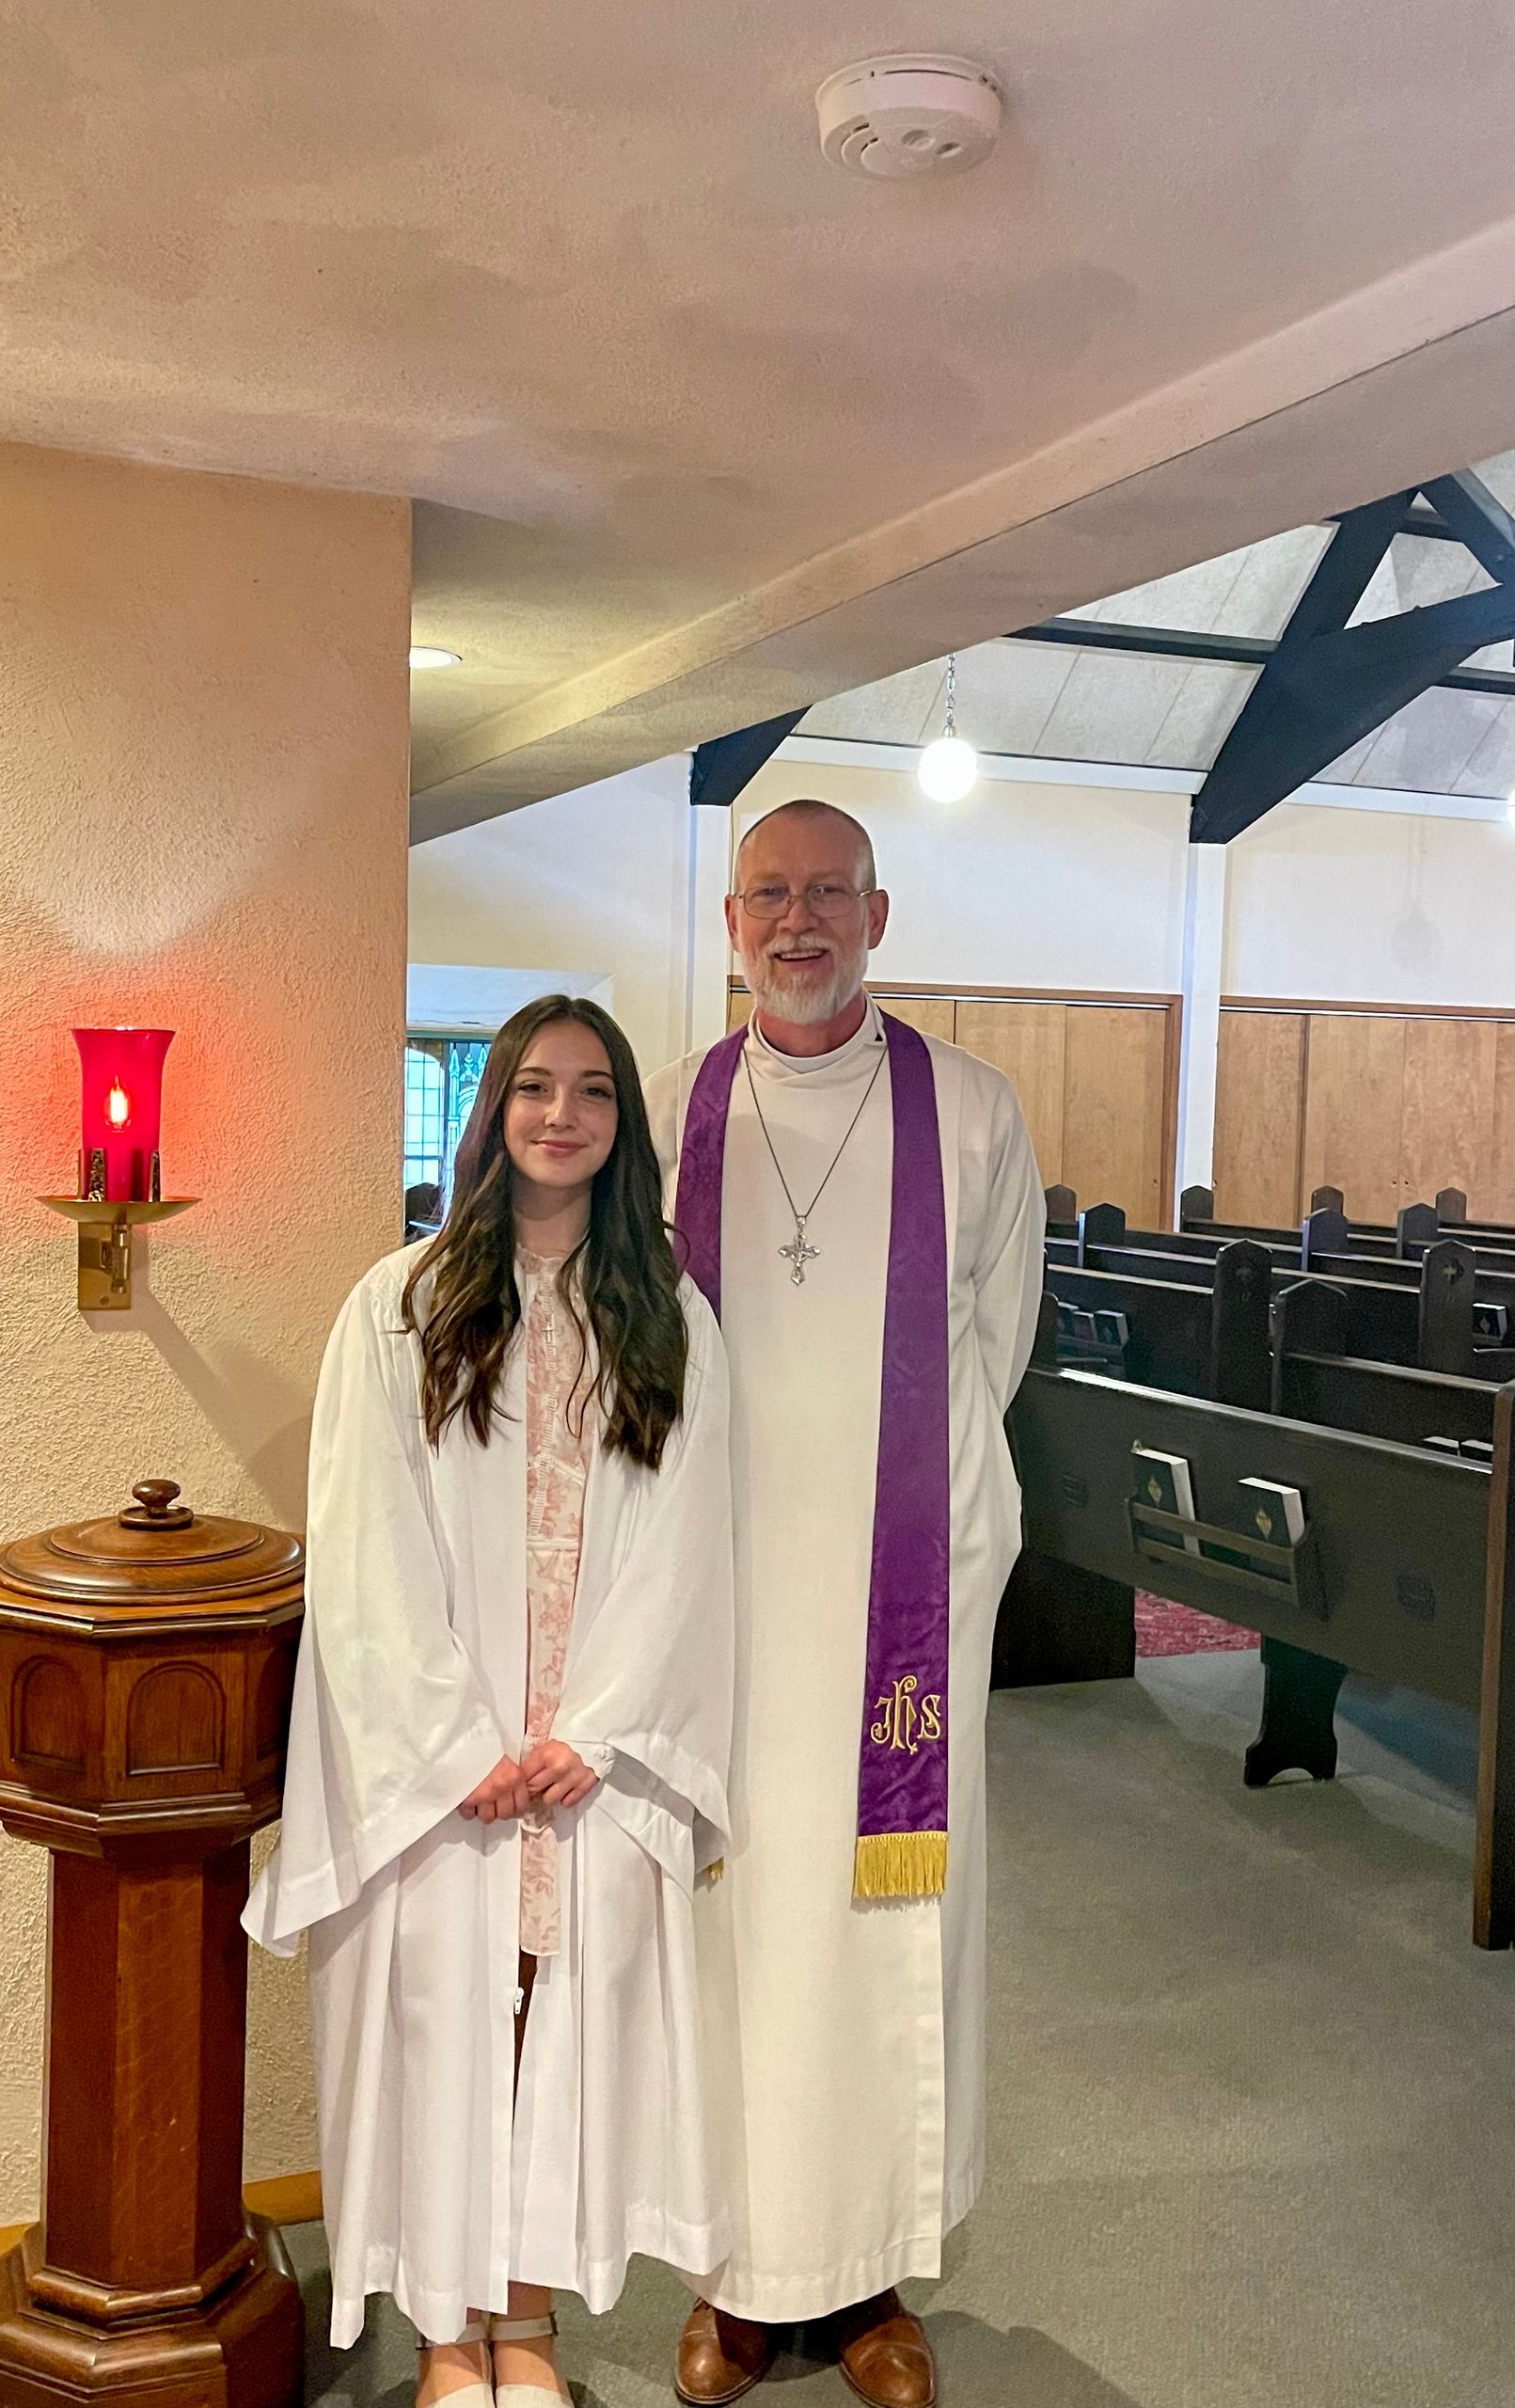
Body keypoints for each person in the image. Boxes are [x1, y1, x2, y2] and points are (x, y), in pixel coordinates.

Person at [247, 995, 735, 2406]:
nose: (562, 1115)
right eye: (534, 1087)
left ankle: (527, 2330)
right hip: (449, 1760)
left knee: (550, 2033)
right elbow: (362, 1539)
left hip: (584, 1750)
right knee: (441, 2028)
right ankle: (447, 2339)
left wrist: (603, 1725)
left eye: (591, 1092)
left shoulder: (669, 1315)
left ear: (620, 1127)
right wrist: (456, 1741)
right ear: (494, 1111)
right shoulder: (399, 1302)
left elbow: (695, 1542)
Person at [645, 800, 1045, 2408]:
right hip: (727, 1605)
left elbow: (995, 1344)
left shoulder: (975, 1111)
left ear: (880, 913)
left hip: (898, 1620)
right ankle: (735, 2286)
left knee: (888, 1922)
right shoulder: (678, 1105)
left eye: (828, 894)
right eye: (768, 897)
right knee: (732, 1928)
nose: (797, 922)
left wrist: (902, 1525)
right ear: (731, 923)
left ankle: (870, 2282)